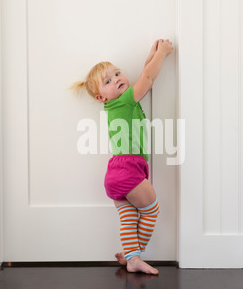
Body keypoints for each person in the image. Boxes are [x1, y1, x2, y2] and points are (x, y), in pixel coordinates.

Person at [71, 39, 173, 275]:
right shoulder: (125, 100)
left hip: (115, 174)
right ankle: (135, 255)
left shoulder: (117, 104)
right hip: (129, 170)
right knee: (151, 210)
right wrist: (163, 54)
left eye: (117, 73)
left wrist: (151, 54)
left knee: (128, 220)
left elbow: (144, 76)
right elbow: (147, 79)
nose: (116, 78)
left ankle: (131, 255)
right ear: (101, 97)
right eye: (108, 81)